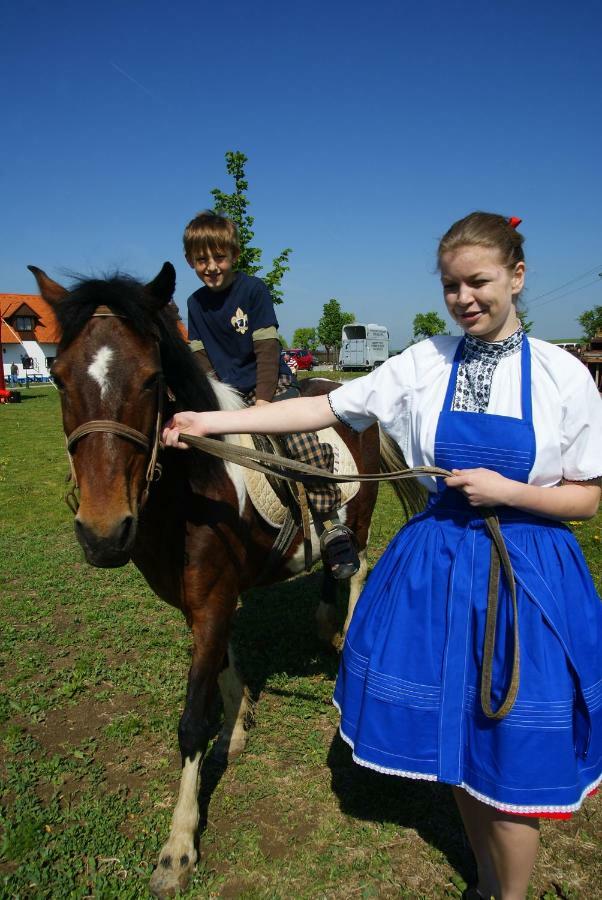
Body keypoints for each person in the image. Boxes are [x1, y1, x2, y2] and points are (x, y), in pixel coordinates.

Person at [165, 212, 602, 899]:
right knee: (454, 744)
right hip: (439, 569)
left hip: (526, 573)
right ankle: (487, 883)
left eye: (479, 281)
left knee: (509, 754)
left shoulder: (562, 375)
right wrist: (210, 420)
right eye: (452, 285)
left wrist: (508, 490)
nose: (464, 298)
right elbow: (321, 410)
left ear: (516, 277)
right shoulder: (424, 361)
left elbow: (585, 499)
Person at [182, 210, 359, 578]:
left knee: (301, 444)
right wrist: (215, 399)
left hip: (270, 387)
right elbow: (199, 358)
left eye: (219, 257)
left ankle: (330, 524)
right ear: (190, 261)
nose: (211, 267)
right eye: (202, 260)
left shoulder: (253, 290)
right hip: (227, 393)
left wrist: (263, 402)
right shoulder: (195, 303)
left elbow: (266, 349)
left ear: (234, 255)